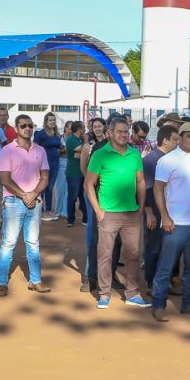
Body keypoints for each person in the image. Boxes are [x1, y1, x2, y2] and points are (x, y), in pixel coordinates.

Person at [85, 115, 150, 309]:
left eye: (126, 132)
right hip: (108, 214)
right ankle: (104, 294)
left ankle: (133, 293)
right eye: (119, 132)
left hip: (131, 213)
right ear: (110, 133)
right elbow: (88, 184)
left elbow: (141, 182)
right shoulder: (100, 154)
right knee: (105, 255)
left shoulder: (134, 154)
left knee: (133, 255)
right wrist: (98, 211)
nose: (123, 135)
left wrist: (140, 208)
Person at [151, 122, 190, 321]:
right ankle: (159, 305)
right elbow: (158, 188)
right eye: (189, 136)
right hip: (175, 223)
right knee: (166, 266)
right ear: (180, 138)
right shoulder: (168, 160)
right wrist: (165, 216)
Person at [0, 114, 50, 297]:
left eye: (30, 125)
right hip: (13, 202)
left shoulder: (40, 150)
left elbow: (45, 177)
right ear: (16, 128)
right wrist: (25, 195)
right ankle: (2, 282)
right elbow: (4, 179)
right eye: (23, 125)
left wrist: (33, 194)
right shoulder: (7, 150)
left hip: (34, 202)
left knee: (33, 243)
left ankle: (36, 280)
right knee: (8, 243)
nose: (27, 128)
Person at [143, 124, 180, 293]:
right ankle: (151, 283)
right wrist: (149, 213)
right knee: (154, 248)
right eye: (175, 140)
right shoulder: (151, 160)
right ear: (165, 140)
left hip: (170, 211)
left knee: (169, 248)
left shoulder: (172, 158)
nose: (177, 143)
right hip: (155, 211)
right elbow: (146, 188)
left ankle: (166, 281)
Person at [79, 117, 109, 293]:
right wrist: (92, 183)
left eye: (100, 126)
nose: (97, 129)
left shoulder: (112, 145)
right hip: (93, 192)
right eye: (94, 126)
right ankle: (89, 276)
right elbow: (84, 168)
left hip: (109, 195)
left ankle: (108, 275)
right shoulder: (88, 147)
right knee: (93, 232)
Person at [34, 112, 65, 220]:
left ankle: (48, 210)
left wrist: (63, 148)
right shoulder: (41, 133)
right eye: (50, 120)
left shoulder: (56, 134)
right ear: (46, 122)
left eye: (54, 120)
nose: (52, 122)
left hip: (56, 162)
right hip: (44, 163)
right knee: (43, 186)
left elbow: (60, 146)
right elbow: (35, 147)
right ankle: (40, 209)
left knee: (51, 187)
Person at [65, 121, 86, 226]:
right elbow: (82, 149)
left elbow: (82, 152)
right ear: (79, 129)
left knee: (83, 196)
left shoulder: (79, 139)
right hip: (73, 173)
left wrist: (81, 153)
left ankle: (85, 218)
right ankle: (70, 219)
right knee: (73, 197)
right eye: (83, 127)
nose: (85, 129)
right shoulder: (71, 139)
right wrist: (86, 142)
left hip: (81, 172)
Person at [52, 120, 74, 221]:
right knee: (59, 188)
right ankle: (57, 211)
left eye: (72, 129)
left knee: (68, 189)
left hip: (71, 164)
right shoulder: (59, 138)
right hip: (61, 163)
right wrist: (65, 149)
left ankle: (65, 211)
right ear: (65, 128)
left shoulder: (75, 139)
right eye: (69, 128)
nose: (71, 131)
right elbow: (55, 151)